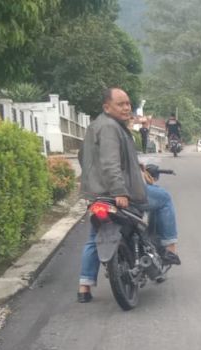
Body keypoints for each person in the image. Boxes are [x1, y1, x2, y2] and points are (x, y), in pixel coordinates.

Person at [78, 87, 180, 303]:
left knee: (95, 236)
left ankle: (84, 286)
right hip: (120, 194)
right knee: (163, 199)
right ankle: (169, 249)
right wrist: (119, 191)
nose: (126, 108)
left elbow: (88, 158)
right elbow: (109, 162)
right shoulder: (109, 128)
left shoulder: (98, 125)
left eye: (127, 103)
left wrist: (137, 165)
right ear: (107, 107)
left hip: (97, 194)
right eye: (120, 104)